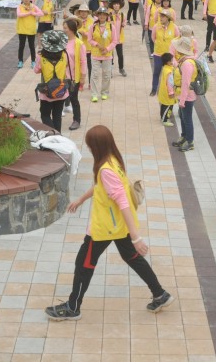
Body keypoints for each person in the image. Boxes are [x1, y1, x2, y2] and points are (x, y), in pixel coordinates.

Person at [46, 126, 173, 321]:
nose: (88, 148)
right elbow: (100, 187)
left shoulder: (106, 169)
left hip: (105, 229)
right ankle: (160, 294)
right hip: (117, 226)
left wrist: (136, 237)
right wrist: (81, 199)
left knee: (84, 264)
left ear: (96, 146)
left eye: (89, 145)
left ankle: (73, 307)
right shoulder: (113, 160)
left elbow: (122, 201)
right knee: (132, 258)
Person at [35, 30, 69, 133]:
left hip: (46, 92)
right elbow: (66, 66)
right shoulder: (64, 55)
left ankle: (53, 134)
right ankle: (58, 135)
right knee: (57, 116)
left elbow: (37, 70)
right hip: (61, 91)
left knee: (45, 115)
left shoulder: (40, 56)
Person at [170, 37, 198, 151]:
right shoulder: (185, 60)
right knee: (182, 117)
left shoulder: (187, 64)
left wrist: (182, 100)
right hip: (183, 95)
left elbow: (186, 83)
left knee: (187, 119)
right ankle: (184, 136)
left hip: (187, 96)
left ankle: (190, 141)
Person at [63, 18, 87, 131]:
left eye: (65, 28)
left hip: (73, 77)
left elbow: (83, 61)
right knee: (59, 98)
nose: (63, 30)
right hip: (62, 76)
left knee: (73, 98)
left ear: (72, 29)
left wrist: (83, 77)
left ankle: (76, 120)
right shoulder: (62, 41)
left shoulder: (79, 43)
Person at [88, 7, 118, 101]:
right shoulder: (92, 27)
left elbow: (115, 41)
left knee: (106, 74)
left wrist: (107, 49)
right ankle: (94, 94)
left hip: (107, 54)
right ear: (97, 15)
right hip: (95, 53)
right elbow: (89, 39)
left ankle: (105, 92)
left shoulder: (111, 27)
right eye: (100, 14)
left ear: (106, 16)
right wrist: (97, 44)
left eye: (104, 14)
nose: (102, 16)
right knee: (95, 74)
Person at [150, 9, 180, 96]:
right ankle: (154, 89)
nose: (161, 18)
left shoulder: (174, 27)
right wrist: (159, 44)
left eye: (163, 16)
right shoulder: (156, 26)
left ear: (168, 18)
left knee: (170, 73)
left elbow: (177, 39)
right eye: (160, 16)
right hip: (158, 53)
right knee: (157, 72)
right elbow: (153, 37)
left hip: (169, 55)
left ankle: (170, 90)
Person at [15, 0, 43, 69]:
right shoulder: (20, 6)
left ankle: (33, 61)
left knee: (32, 46)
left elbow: (41, 13)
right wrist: (29, 13)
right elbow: (19, 14)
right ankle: (20, 61)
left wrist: (33, 12)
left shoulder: (33, 6)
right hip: (22, 29)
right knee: (21, 46)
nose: (26, 0)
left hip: (31, 29)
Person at [156, 52, 178, 126]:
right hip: (168, 93)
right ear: (168, 62)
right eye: (172, 60)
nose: (173, 61)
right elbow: (170, 83)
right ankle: (164, 120)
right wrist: (171, 92)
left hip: (163, 91)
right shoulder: (169, 71)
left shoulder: (165, 68)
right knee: (168, 106)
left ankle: (163, 117)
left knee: (164, 105)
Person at [109, 0, 128, 77]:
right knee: (110, 55)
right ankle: (109, 70)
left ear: (120, 6)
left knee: (120, 55)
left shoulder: (123, 15)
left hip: (119, 38)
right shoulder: (109, 15)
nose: (116, 6)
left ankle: (121, 68)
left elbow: (124, 23)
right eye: (114, 4)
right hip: (111, 39)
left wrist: (124, 24)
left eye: (117, 4)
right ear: (112, 6)